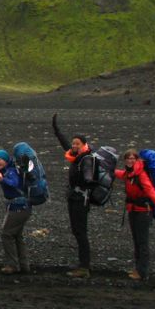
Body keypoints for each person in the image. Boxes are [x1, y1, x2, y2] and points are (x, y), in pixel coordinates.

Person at [52, 113, 94, 278]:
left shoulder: (86, 159)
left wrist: (86, 179)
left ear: (84, 145)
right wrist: (56, 129)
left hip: (80, 200)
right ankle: (83, 265)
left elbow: (88, 178)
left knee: (80, 231)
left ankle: (84, 267)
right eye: (74, 143)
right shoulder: (76, 157)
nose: (74, 145)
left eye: (78, 143)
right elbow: (65, 144)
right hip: (74, 198)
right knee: (77, 231)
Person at [115, 149, 155, 280]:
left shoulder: (141, 174)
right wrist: (108, 170)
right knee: (137, 241)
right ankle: (139, 269)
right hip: (133, 210)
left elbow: (149, 189)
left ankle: (142, 271)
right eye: (127, 158)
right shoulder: (129, 173)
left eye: (132, 158)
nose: (130, 161)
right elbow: (121, 174)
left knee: (142, 242)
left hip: (143, 212)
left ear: (137, 160)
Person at [0, 149, 31, 274]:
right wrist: (0, 173)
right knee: (17, 236)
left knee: (7, 234)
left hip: (18, 207)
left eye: (0, 160)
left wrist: (2, 179)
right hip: (23, 207)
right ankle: (24, 266)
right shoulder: (9, 170)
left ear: (6, 160)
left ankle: (12, 265)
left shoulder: (12, 171)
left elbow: (13, 183)